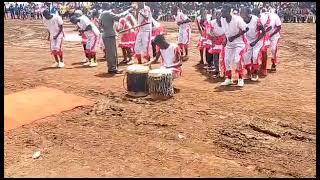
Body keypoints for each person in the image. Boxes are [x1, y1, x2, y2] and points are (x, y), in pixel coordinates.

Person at [220, 4, 248, 87]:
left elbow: (246, 29)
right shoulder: (223, 19)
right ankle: (229, 79)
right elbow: (226, 32)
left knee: (237, 60)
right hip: (229, 43)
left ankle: (240, 79)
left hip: (239, 43)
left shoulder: (237, 19)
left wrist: (234, 37)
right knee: (227, 60)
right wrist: (225, 39)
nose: (221, 14)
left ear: (228, 12)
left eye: (223, 12)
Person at [99, 5, 133, 74]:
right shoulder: (108, 13)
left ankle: (112, 67)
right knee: (112, 53)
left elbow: (100, 25)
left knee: (110, 53)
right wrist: (128, 11)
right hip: (110, 35)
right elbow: (119, 17)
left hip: (106, 34)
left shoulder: (102, 14)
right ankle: (113, 69)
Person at [240, 7, 266, 81]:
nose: (241, 14)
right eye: (241, 12)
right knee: (246, 58)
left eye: (242, 13)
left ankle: (255, 73)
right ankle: (248, 72)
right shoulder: (241, 21)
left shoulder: (256, 20)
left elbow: (263, 32)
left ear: (248, 14)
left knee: (255, 56)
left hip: (257, 40)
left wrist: (255, 41)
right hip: (247, 41)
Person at [207, 9, 226, 78]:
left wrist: (224, 39)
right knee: (216, 57)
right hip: (216, 40)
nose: (220, 16)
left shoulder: (226, 22)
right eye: (218, 14)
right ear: (216, 15)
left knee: (223, 57)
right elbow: (209, 32)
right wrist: (213, 38)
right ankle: (217, 70)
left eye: (221, 14)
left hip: (224, 41)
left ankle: (223, 71)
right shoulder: (212, 23)